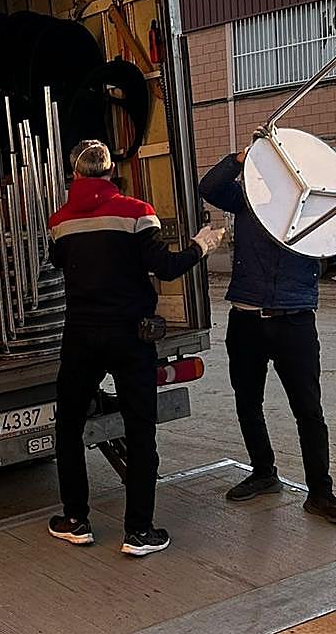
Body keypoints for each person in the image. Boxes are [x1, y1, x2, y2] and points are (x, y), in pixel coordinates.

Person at [47, 140, 225, 556]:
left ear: (75, 174)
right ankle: (139, 532)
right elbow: (165, 267)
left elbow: (58, 262)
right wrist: (201, 246)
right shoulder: (137, 212)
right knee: (140, 429)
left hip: (81, 336)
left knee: (69, 427)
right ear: (112, 172)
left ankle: (75, 520)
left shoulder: (60, 220)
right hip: (130, 335)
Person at [198, 140, 336, 524]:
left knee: (308, 410)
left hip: (295, 319)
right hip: (246, 318)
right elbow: (209, 187)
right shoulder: (252, 199)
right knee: (248, 402)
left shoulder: (318, 209)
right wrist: (239, 159)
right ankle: (263, 472)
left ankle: (321, 493)